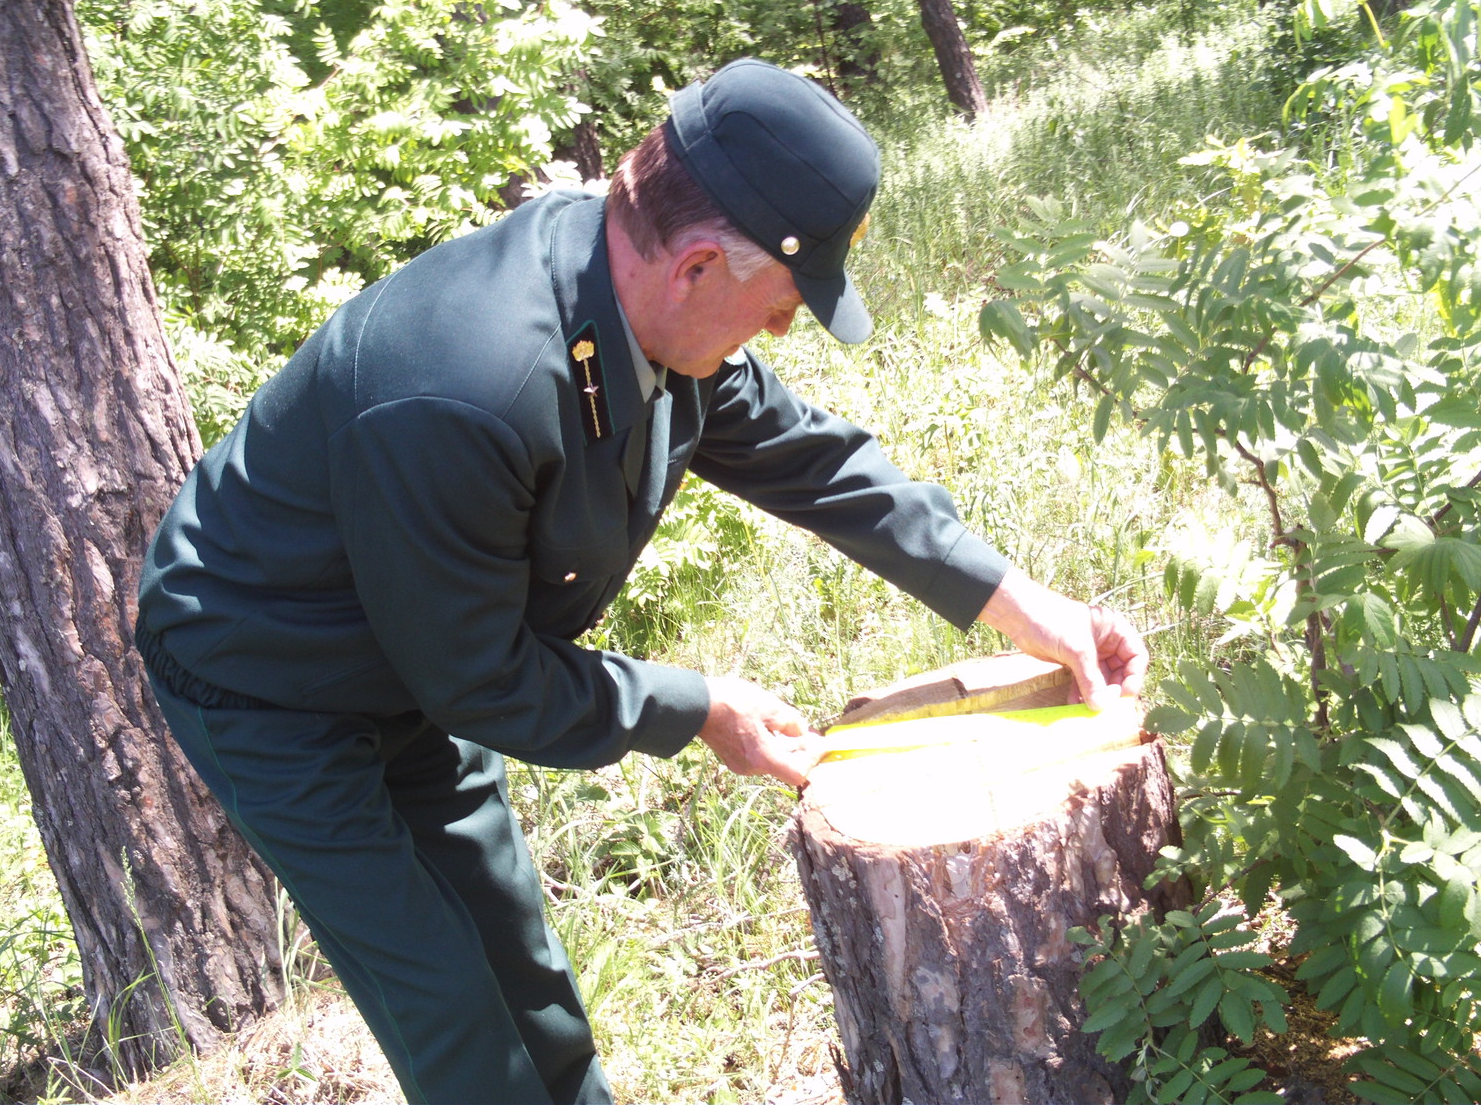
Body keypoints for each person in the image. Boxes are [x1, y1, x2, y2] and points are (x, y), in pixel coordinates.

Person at [135, 58, 1147, 1104]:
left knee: (522, 968)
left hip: (434, 643)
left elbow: (819, 463)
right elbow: (479, 684)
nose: (781, 329)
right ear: (700, 265)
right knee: (448, 1008)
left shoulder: (643, 301)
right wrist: (697, 708)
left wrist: (1027, 606)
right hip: (270, 673)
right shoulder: (468, 387)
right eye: (785, 301)